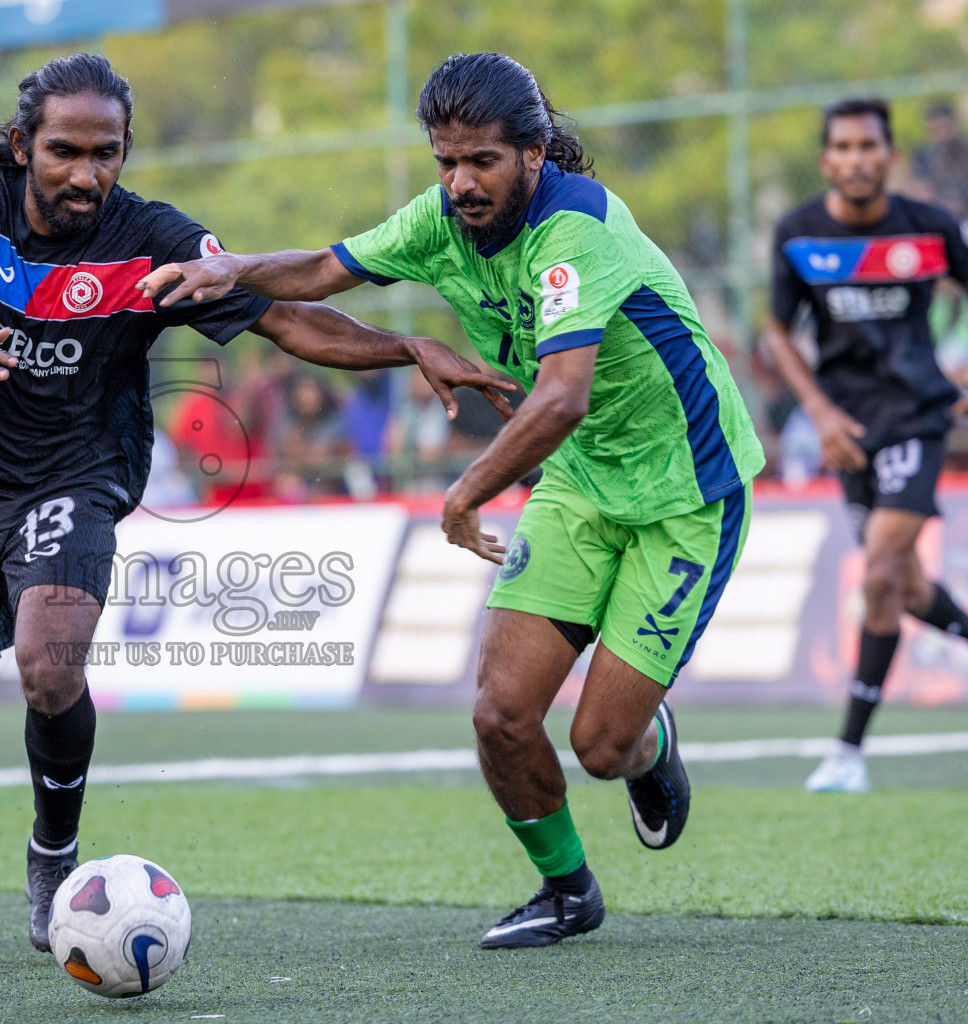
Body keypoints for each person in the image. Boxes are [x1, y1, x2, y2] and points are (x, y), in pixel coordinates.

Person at [0, 52, 515, 954]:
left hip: (76, 475)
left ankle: (55, 853)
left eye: (107, 152)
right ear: (21, 146)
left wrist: (406, 346)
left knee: (52, 665)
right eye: (64, 151)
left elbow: (286, 320)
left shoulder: (156, 239)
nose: (87, 173)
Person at [139, 51, 765, 949]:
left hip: (688, 494)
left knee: (599, 746)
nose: (460, 183)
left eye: (482, 162)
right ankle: (567, 891)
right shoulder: (441, 220)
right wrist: (232, 269)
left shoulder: (577, 227)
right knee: (500, 715)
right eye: (446, 161)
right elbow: (322, 268)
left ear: (535, 155)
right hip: (582, 484)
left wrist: (466, 491)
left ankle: (650, 746)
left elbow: (559, 397)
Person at [766, 98, 968, 794]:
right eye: (843, 147)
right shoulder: (798, 236)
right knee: (907, 587)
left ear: (889, 156)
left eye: (869, 146)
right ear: (827, 160)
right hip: (846, 433)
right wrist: (817, 410)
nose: (856, 158)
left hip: (916, 417)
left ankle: (848, 753)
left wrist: (960, 367)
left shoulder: (933, 230)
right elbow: (776, 331)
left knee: (881, 570)